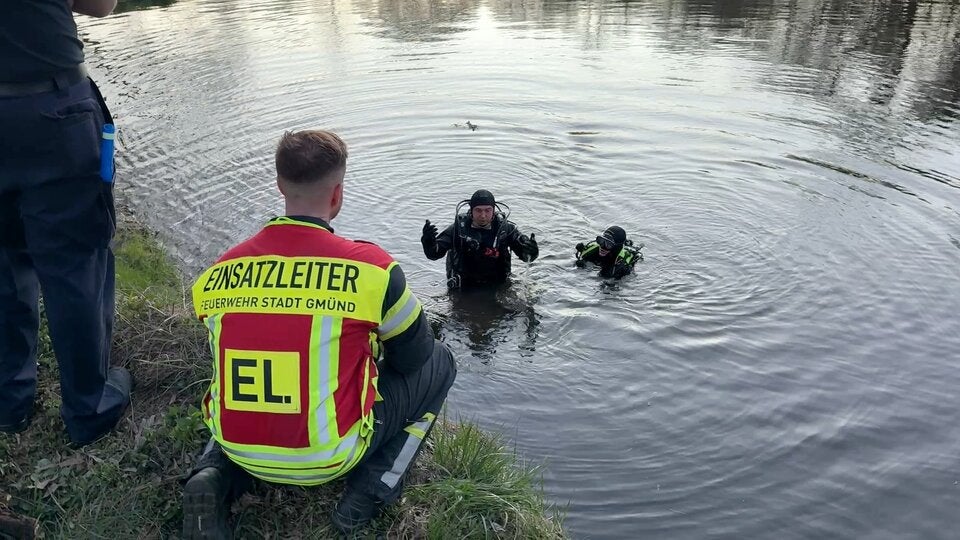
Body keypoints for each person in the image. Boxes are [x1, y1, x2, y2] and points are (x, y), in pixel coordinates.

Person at [182, 130, 457, 538]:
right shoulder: (372, 270)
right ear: (337, 194)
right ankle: (370, 490)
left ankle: (213, 471)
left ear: (280, 185)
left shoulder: (219, 271)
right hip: (330, 456)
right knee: (441, 361)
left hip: (236, 444)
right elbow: (414, 358)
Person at [0, 0, 132, 446]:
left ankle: (9, 401)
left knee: (3, 264)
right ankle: (88, 407)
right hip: (50, 109)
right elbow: (101, 5)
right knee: (74, 264)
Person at [421, 189, 539, 288]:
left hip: (497, 284)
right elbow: (433, 254)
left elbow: (526, 256)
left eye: (487, 210)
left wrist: (532, 250)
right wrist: (428, 241)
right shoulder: (458, 230)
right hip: (464, 287)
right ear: (471, 211)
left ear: (494, 211)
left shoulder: (505, 229)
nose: (483, 216)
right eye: (478, 210)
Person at [575, 226, 643, 280]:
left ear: (617, 247)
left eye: (608, 244)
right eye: (601, 241)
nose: (602, 247)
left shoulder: (621, 265)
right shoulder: (595, 249)